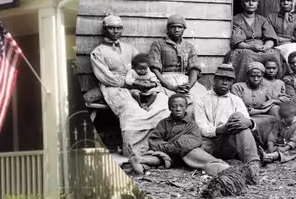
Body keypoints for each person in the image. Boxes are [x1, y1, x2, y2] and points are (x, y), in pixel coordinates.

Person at [89, 14, 170, 157]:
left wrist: (152, 82)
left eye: (118, 28)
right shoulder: (98, 52)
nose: (115, 31)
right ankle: (135, 151)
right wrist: (130, 84)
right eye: (111, 28)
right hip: (114, 87)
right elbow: (106, 78)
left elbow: (144, 68)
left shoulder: (130, 49)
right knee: (131, 109)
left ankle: (160, 145)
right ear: (104, 29)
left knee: (162, 102)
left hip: (139, 84)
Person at [192, 63, 262, 180]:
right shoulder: (201, 99)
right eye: (221, 79)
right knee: (190, 150)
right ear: (214, 79)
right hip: (209, 142)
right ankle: (221, 165)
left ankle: (253, 166)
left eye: (229, 80)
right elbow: (201, 127)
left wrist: (249, 123)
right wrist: (220, 130)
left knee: (238, 117)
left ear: (232, 82)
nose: (225, 83)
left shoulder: (236, 100)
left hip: (228, 143)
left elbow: (245, 123)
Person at [138, 93, 232, 176]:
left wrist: (177, 146)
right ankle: (141, 162)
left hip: (185, 152)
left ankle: (218, 166)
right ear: (169, 108)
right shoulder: (164, 123)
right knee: (158, 157)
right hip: (168, 153)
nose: (178, 109)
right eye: (174, 106)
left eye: (181, 106)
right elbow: (154, 139)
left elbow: (195, 140)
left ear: (186, 107)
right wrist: (167, 148)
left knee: (196, 152)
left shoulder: (191, 123)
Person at [148, 14, 208, 109]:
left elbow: (194, 69)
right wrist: (171, 87)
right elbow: (154, 69)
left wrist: (188, 86)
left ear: (184, 29)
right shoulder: (158, 44)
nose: (176, 30)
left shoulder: (189, 46)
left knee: (200, 98)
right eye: (173, 27)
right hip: (164, 80)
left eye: (179, 27)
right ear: (168, 28)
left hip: (185, 81)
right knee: (162, 101)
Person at [227, 0, 285, 82]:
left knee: (274, 54)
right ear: (242, 3)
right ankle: (243, 84)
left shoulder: (262, 20)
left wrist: (265, 47)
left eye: (253, 1)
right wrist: (252, 47)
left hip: (261, 49)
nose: (251, 4)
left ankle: (275, 84)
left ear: (257, 3)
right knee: (246, 55)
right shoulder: (237, 20)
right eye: (247, 1)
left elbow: (270, 38)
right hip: (246, 48)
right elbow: (238, 42)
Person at [231, 61, 282, 144]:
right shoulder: (238, 87)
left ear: (262, 76)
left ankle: (274, 140)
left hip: (262, 117)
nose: (256, 79)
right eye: (252, 76)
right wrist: (262, 110)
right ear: (247, 75)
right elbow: (236, 106)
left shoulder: (266, 90)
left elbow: (286, 99)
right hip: (244, 116)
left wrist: (273, 100)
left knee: (276, 108)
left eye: (259, 76)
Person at [263, 97, 296, 164]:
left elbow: (295, 140)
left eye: (287, 117)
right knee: (270, 150)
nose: (285, 120)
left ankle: (272, 156)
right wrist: (270, 146)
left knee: (291, 153)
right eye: (283, 118)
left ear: (293, 115)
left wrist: (286, 148)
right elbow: (272, 136)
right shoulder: (279, 124)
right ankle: (268, 156)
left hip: (290, 148)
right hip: (279, 146)